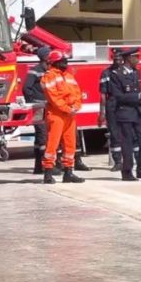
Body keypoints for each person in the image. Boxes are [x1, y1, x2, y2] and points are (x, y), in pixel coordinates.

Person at [40, 50, 85, 184]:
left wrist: (76, 107)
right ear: (55, 62)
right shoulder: (49, 76)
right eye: (63, 60)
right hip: (56, 115)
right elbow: (53, 97)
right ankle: (48, 173)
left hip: (69, 115)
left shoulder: (69, 76)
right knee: (52, 145)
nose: (66, 63)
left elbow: (78, 94)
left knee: (70, 144)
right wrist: (67, 109)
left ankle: (68, 173)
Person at [109, 47, 141, 181]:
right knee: (127, 144)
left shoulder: (136, 72)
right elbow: (117, 96)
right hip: (125, 112)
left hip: (138, 111)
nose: (138, 60)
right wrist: (138, 96)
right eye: (136, 57)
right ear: (129, 58)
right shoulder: (116, 74)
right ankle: (127, 172)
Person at [23, 46, 55, 175]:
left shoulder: (51, 70)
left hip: (49, 107)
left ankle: (42, 165)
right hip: (39, 107)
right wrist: (32, 103)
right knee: (42, 136)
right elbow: (26, 88)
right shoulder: (35, 71)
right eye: (49, 55)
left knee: (47, 137)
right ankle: (40, 165)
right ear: (45, 57)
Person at [99, 48, 124, 172]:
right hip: (112, 104)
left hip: (126, 104)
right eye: (115, 59)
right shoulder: (106, 73)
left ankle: (132, 159)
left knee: (130, 133)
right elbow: (103, 94)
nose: (117, 61)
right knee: (114, 134)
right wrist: (102, 112)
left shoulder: (128, 72)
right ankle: (118, 161)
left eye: (120, 59)